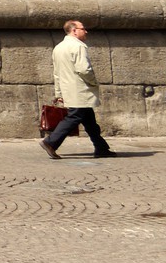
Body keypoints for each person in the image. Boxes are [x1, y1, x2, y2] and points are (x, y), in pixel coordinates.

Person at [39, 20, 115, 159]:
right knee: (74, 117)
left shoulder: (59, 47)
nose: (86, 31)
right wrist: (94, 82)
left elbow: (57, 73)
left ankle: (101, 147)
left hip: (69, 90)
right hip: (81, 90)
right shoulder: (78, 46)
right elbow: (84, 70)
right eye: (83, 29)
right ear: (74, 30)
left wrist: (59, 93)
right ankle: (51, 142)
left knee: (89, 121)